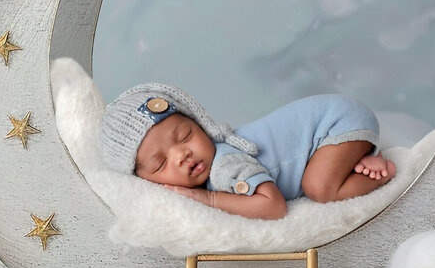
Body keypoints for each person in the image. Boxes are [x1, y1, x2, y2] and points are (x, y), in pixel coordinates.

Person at [98, 83, 396, 220]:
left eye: (186, 135)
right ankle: (355, 159)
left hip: (338, 121)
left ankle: (383, 171)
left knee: (319, 188)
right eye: (161, 163)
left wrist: (210, 198)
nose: (182, 155)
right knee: (321, 175)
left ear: (201, 123)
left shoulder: (225, 165)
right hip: (330, 131)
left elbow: (273, 205)